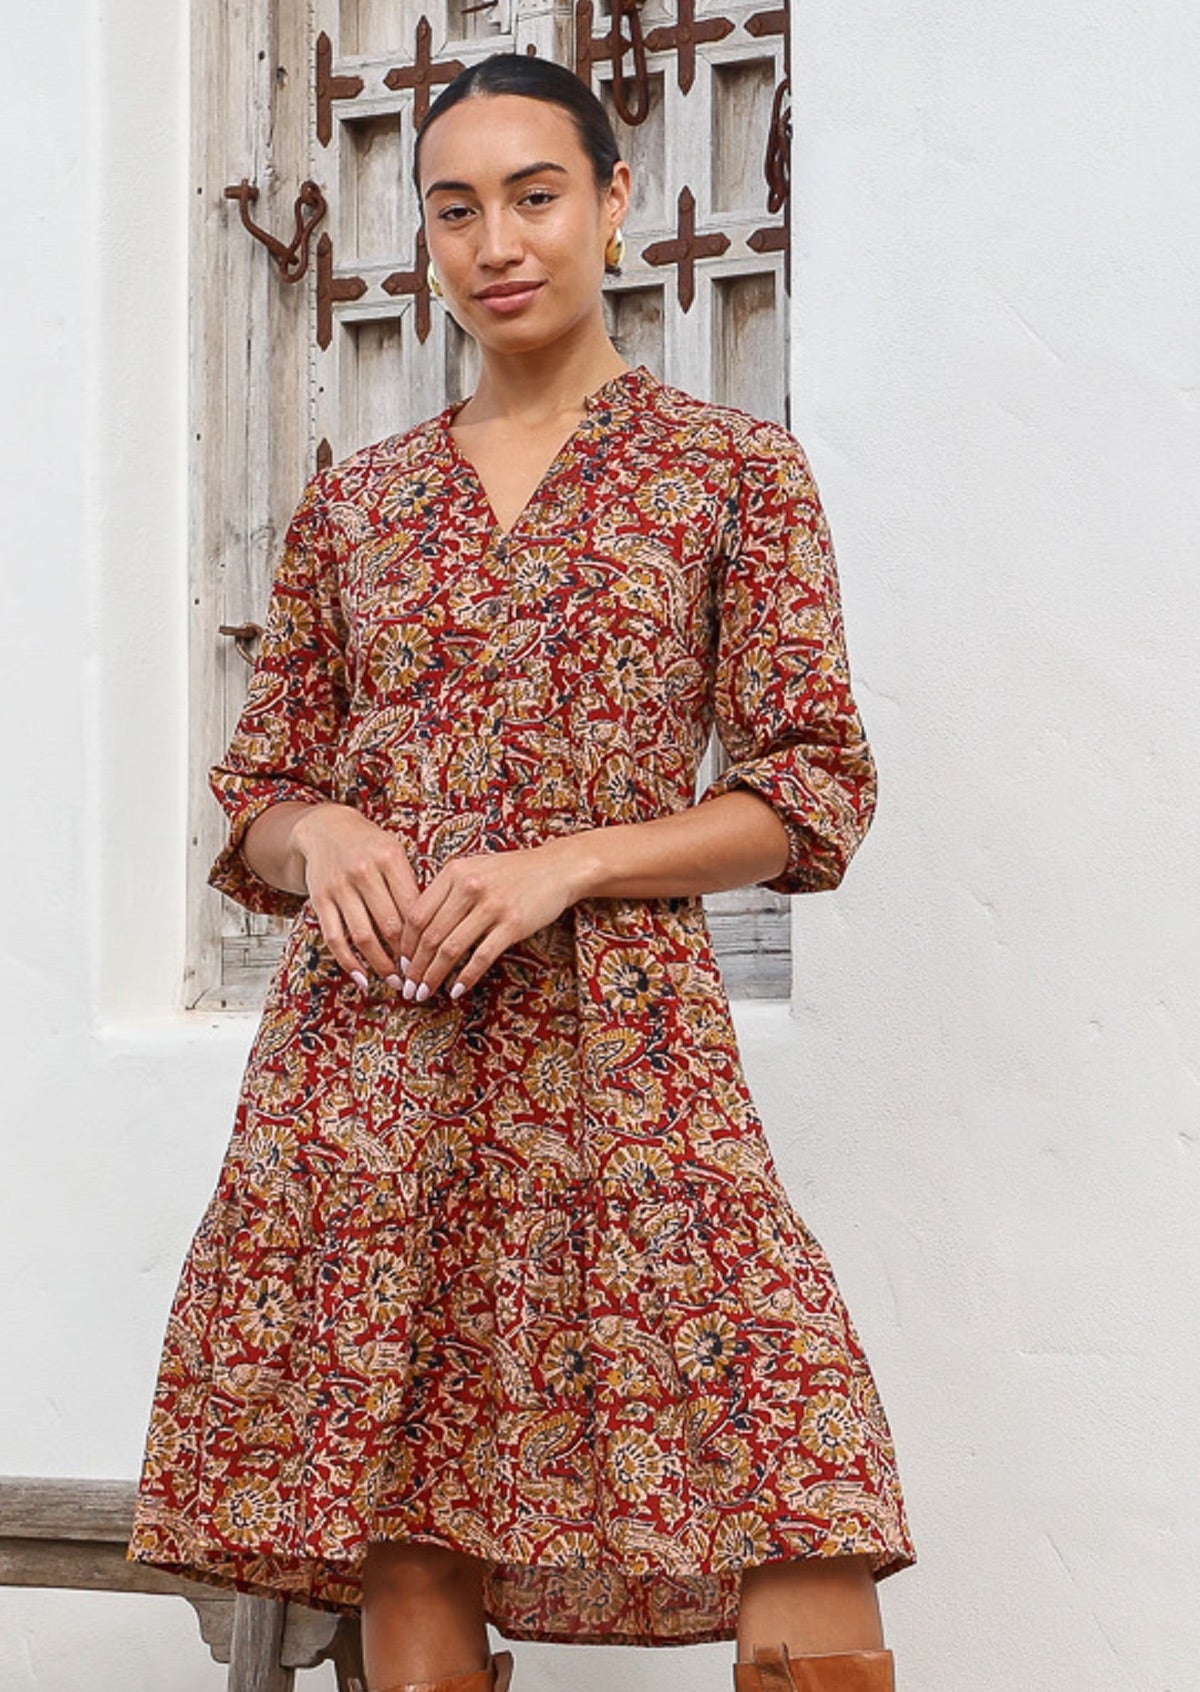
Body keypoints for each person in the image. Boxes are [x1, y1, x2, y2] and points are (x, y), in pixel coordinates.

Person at [128, 51, 915, 1692]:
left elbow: (808, 792)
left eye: (536, 196)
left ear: (614, 204)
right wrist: (318, 832)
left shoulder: (731, 473)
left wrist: (576, 862)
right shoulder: (360, 506)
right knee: (414, 1547)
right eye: (456, 208)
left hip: (630, 1054)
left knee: (803, 1514)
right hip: (377, 1068)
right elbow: (262, 793)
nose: (497, 241)